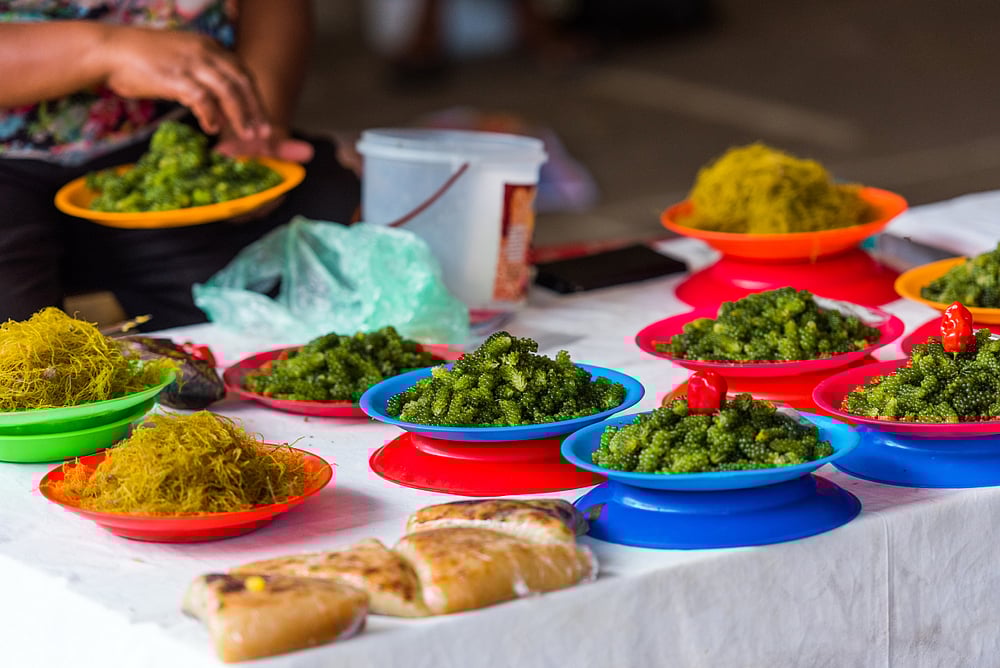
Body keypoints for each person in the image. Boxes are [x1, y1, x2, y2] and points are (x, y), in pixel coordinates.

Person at [0, 0, 360, 329]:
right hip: (9, 157)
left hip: (177, 131)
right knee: (21, 358)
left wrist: (254, 120)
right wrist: (106, 52)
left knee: (330, 264)